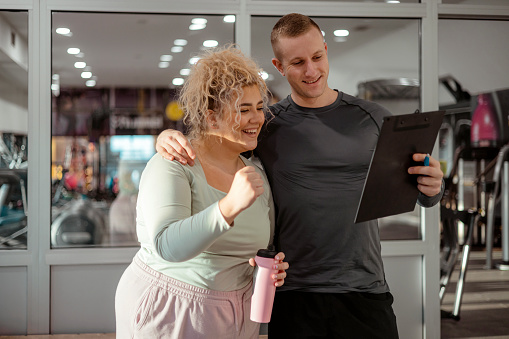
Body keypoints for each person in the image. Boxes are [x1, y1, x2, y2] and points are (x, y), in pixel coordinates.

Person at [155, 13, 444, 339]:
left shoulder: (374, 119)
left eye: (317, 57)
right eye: (298, 62)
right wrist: (167, 136)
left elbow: (421, 191)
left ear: (325, 48)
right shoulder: (265, 125)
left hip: (364, 290)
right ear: (279, 67)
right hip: (292, 295)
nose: (311, 70)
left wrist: (434, 186)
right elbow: (215, 149)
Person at [115, 45, 289, 339]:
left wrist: (268, 266)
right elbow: (167, 245)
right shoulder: (172, 163)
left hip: (238, 314)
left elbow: (254, 246)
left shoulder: (256, 171)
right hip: (170, 310)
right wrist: (228, 206)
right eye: (243, 110)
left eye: (259, 108)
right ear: (211, 118)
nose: (257, 118)